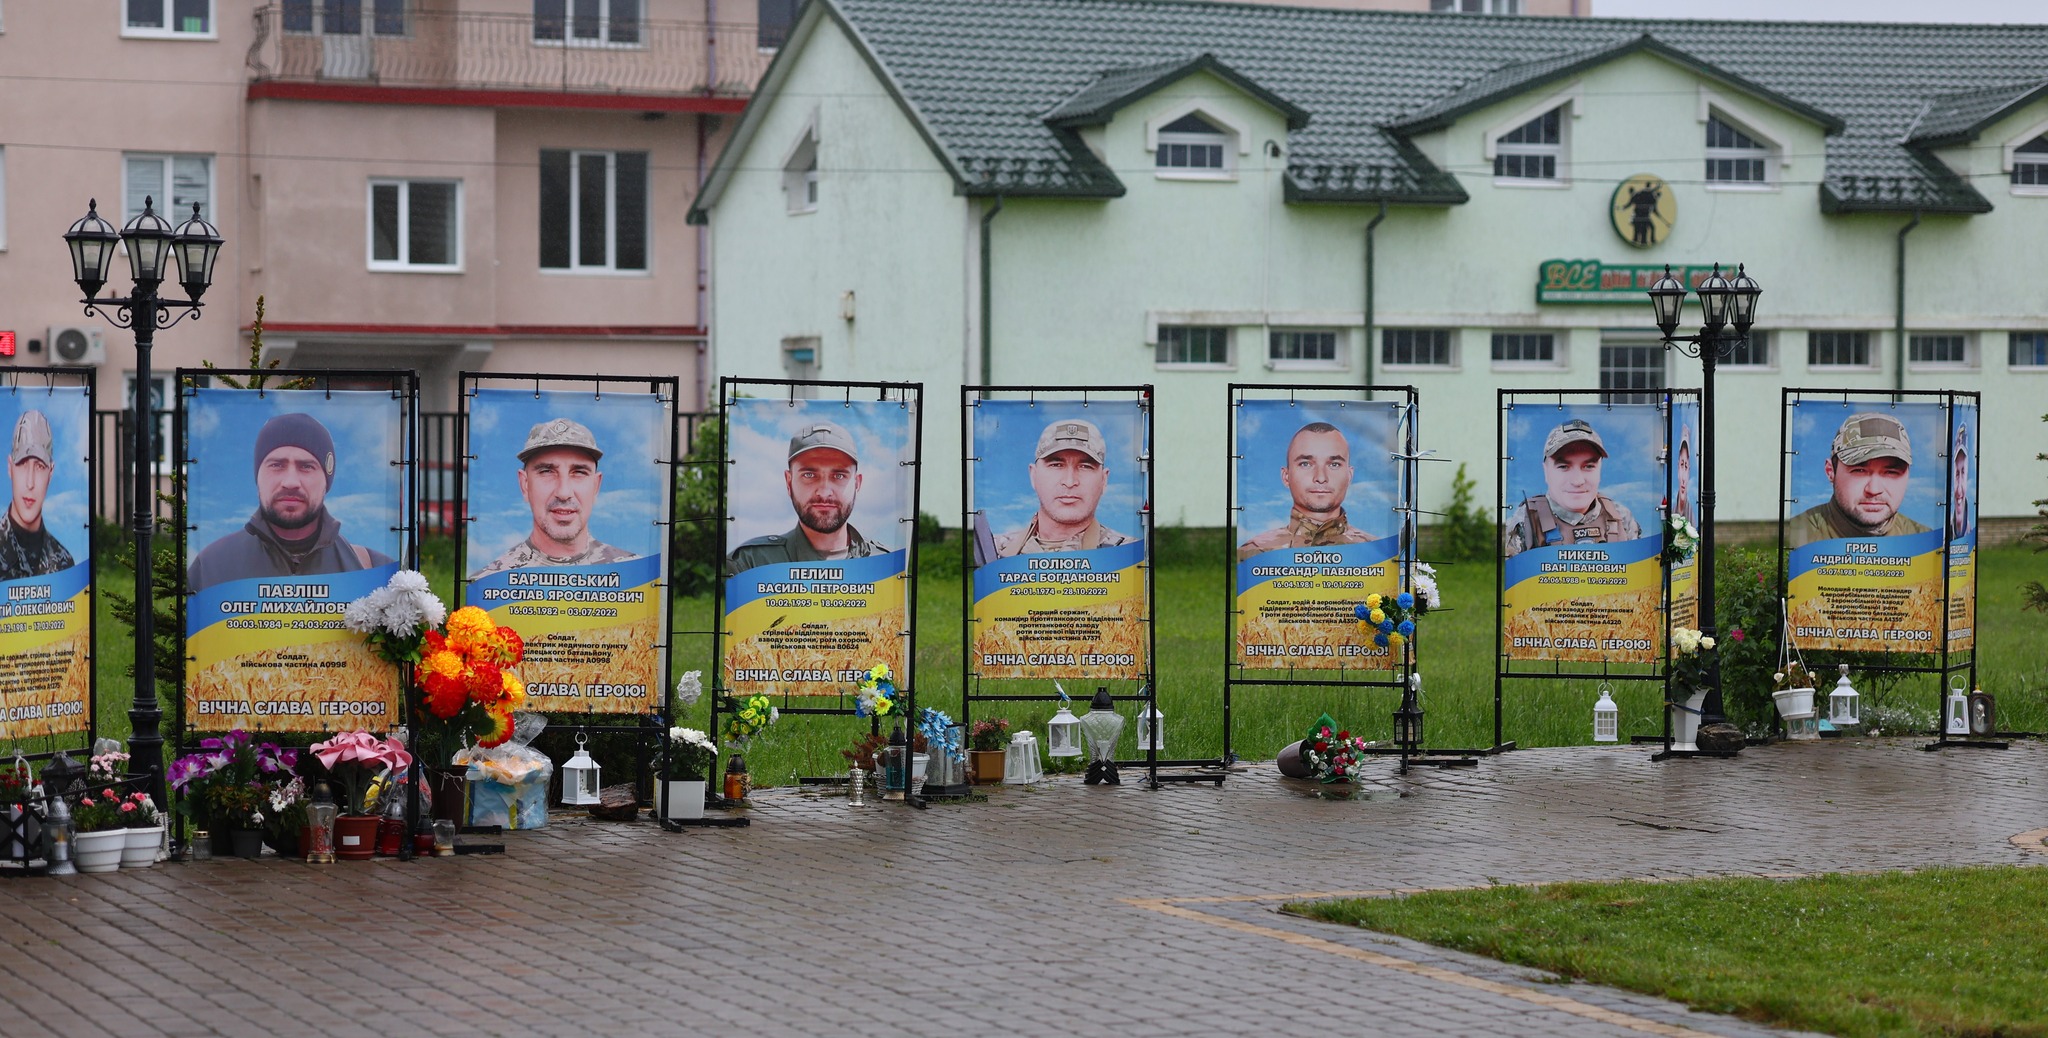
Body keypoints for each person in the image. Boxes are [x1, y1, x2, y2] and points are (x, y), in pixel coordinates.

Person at [189, 412, 394, 592]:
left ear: (326, 481)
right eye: (276, 465)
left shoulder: (375, 571)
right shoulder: (211, 567)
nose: (290, 482)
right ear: (258, 477)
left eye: (306, 467)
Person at [471, 418, 639, 578]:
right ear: (525, 484)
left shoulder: (635, 576)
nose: (564, 492)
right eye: (546, 471)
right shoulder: (490, 581)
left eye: (579, 472)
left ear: (596, 486)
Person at [726, 420, 890, 573]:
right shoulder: (751, 564)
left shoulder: (886, 564)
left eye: (839, 476)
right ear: (789, 482)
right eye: (809, 475)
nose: (824, 492)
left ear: (857, 483)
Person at [1786, 412, 1932, 549]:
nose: (1874, 489)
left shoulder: (1926, 543)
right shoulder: (1793, 539)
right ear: (1830, 471)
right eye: (1859, 471)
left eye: (1891, 473)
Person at [1237, 421, 1377, 561]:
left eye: (1334, 464)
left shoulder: (1378, 555)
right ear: (1286, 476)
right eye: (1305, 464)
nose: (1321, 478)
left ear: (1349, 476)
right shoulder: (1254, 553)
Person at [1503, 418, 1642, 558]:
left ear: (1600, 469)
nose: (1577, 481)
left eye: (1589, 466)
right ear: (1546, 471)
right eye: (1563, 467)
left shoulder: (1621, 518)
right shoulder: (1526, 521)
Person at [993, 418, 1133, 557]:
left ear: (1104, 480)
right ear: (1033, 475)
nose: (1069, 481)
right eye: (1056, 465)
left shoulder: (1129, 555)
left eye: (1085, 466)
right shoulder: (993, 553)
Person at [0, 410, 76, 580]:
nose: (30, 483)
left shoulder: (64, 563)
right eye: (22, 464)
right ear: (10, 467)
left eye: (40, 466)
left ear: (51, 472)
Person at [1949, 425, 1970, 539]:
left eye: (1963, 472)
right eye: (1957, 474)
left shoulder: (1971, 533)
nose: (1959, 490)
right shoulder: (1944, 534)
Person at [1671, 426, 1694, 524]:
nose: (1683, 478)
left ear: (1689, 472)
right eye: (1681, 465)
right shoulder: (1671, 510)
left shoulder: (1691, 517)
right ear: (1677, 469)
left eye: (1686, 466)